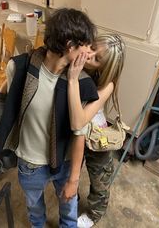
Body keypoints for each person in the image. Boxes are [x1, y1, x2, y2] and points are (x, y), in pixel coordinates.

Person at [0, 8, 99, 228]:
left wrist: (74, 179)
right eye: (85, 44)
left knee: (69, 211)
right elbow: (4, 109)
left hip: (64, 162)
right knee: (34, 210)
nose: (89, 51)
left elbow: (79, 133)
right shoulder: (20, 68)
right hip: (30, 163)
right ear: (69, 45)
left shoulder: (81, 83)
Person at [61, 33, 126, 228]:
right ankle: (73, 198)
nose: (89, 55)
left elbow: (80, 121)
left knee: (100, 180)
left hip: (96, 139)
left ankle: (95, 213)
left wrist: (73, 79)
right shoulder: (81, 63)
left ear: (105, 68)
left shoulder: (107, 84)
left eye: (97, 59)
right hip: (76, 137)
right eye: (93, 47)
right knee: (70, 171)